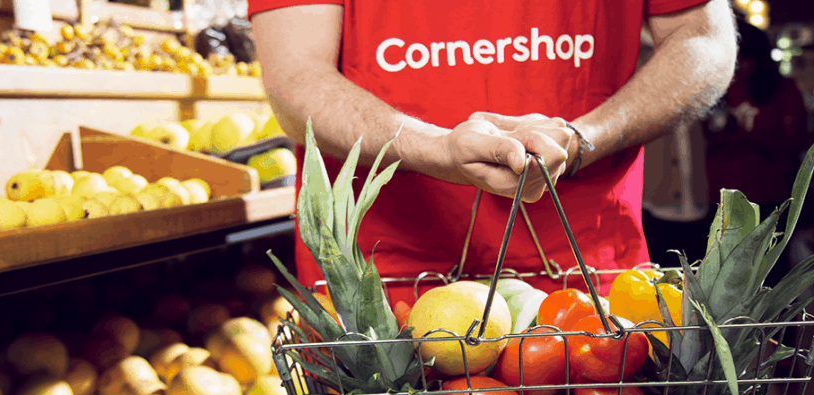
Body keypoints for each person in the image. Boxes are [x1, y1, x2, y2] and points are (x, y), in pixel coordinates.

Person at [248, 1, 738, 308]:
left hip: (587, 296)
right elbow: (296, 78)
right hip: (382, 297)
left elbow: (702, 38)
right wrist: (435, 148)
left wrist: (585, 136)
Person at [700, 18, 812, 286]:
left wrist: (745, 138)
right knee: (721, 281)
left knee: (768, 279)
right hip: (718, 202)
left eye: (744, 60)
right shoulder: (715, 89)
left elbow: (797, 143)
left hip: (768, 199)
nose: (737, 68)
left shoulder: (781, 90)